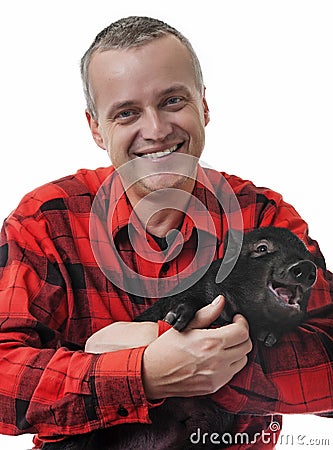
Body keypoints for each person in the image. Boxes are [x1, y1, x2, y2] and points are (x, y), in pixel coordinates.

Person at [0, 15, 332, 450]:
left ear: (204, 105)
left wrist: (158, 343)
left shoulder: (261, 214)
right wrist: (142, 374)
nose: (156, 131)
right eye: (127, 113)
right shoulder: (48, 220)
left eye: (173, 101)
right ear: (96, 128)